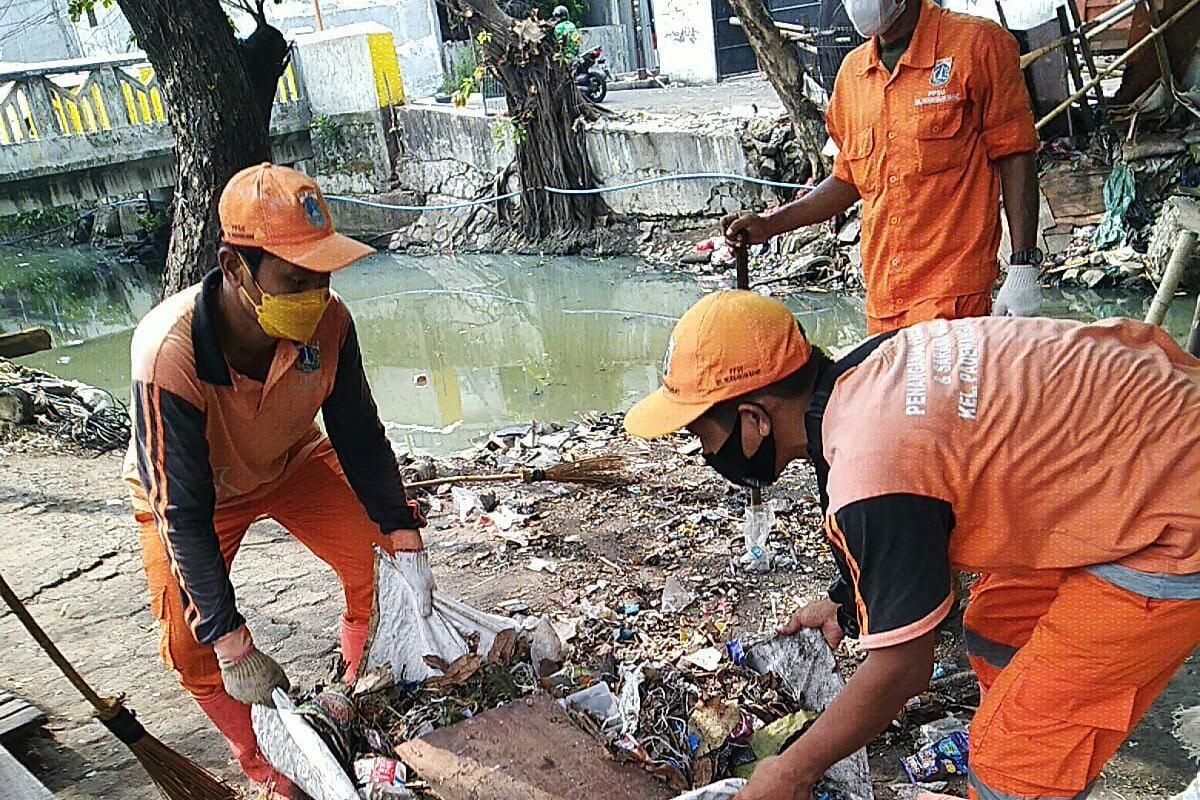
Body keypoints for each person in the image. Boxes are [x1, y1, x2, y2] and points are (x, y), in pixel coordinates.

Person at [624, 290, 1200, 800]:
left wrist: (792, 770)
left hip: (1174, 506)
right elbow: (911, 526)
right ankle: (1049, 735)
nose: (704, 452)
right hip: (1138, 420)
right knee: (1000, 625)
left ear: (755, 419)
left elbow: (904, 668)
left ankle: (1039, 764)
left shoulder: (871, 468)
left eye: (704, 432)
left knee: (1012, 763)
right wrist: (848, 603)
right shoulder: (864, 373)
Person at [123, 163, 433, 798]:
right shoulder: (168, 353)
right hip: (198, 494)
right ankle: (272, 769)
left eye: (322, 274)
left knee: (376, 569)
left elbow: (358, 433)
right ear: (236, 266)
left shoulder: (331, 324)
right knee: (192, 649)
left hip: (292, 463)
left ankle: (353, 702)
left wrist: (401, 531)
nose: (314, 294)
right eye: (296, 278)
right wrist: (231, 640)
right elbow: (181, 510)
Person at [723, 0, 1044, 334]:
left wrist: (1022, 267)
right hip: (883, 303)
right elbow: (849, 179)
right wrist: (770, 224)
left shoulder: (978, 46)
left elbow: (1015, 153)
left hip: (953, 300)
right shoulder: (853, 75)